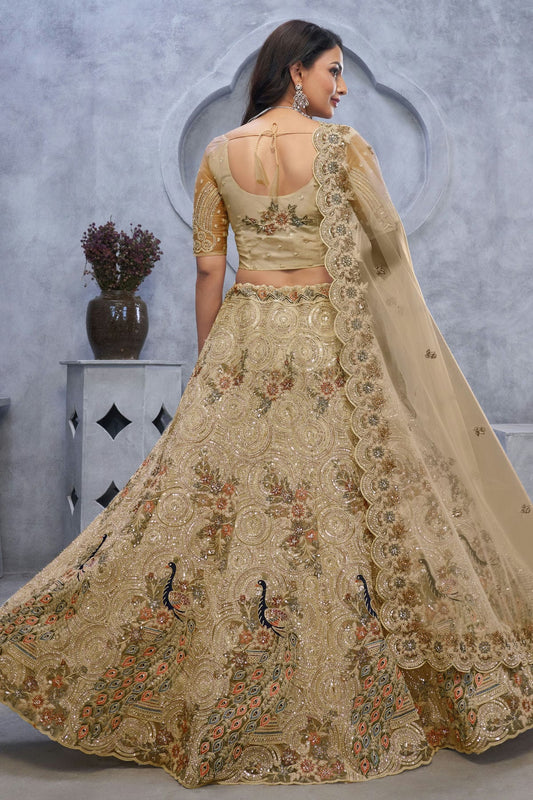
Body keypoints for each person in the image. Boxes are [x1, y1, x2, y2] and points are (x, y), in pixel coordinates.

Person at [1, 19, 532, 788]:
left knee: (221, 504)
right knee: (337, 501)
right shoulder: (343, 149)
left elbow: (208, 272)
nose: (340, 87)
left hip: (244, 340)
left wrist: (209, 365)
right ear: (295, 73)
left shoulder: (219, 154)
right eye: (332, 71)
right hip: (325, 342)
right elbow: (387, 248)